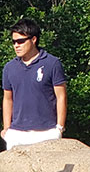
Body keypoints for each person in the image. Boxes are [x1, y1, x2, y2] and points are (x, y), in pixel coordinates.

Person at [2, 18, 67, 151]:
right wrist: (6, 128)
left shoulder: (52, 63)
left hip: (46, 132)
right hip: (16, 134)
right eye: (14, 42)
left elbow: (61, 97)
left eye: (20, 41)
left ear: (33, 40)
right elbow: (8, 99)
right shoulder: (9, 68)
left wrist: (59, 128)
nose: (16, 45)